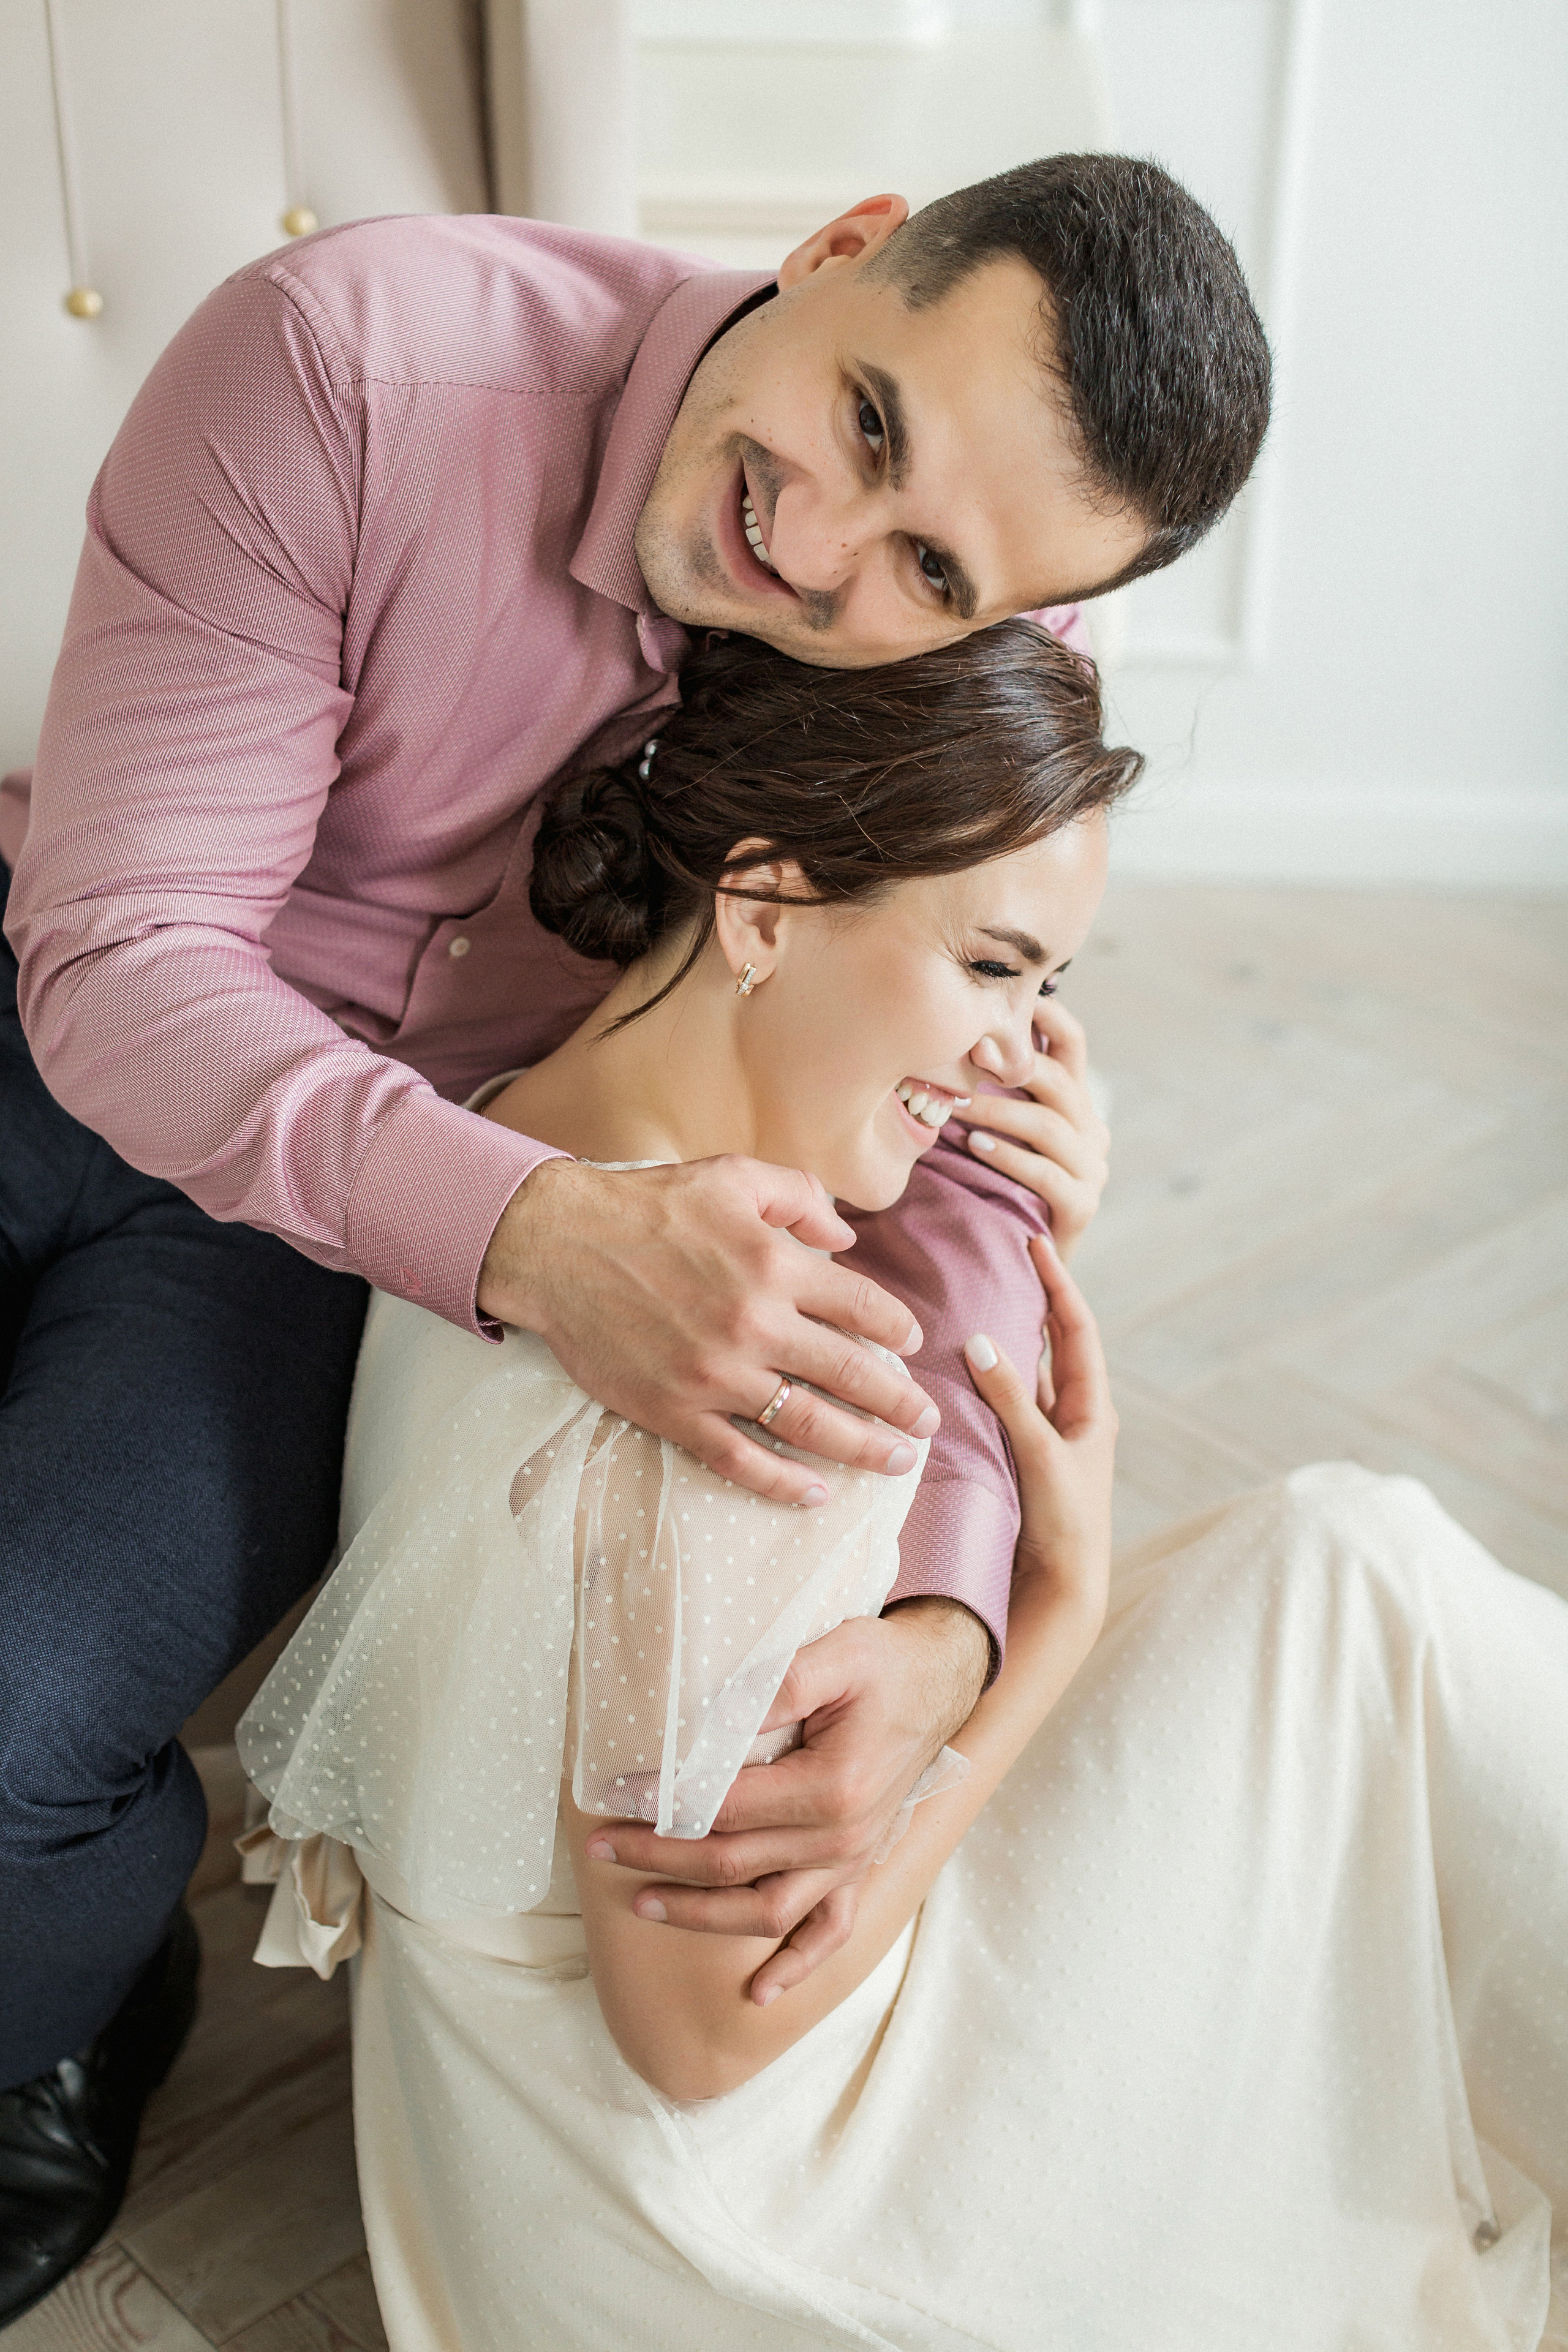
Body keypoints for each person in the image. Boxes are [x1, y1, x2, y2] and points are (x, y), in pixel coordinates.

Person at [0, 154, 1270, 2318]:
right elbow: (123, 951)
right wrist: (541, 1238)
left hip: (345, 1237)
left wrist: (963, 1608)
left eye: (935, 568)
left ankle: (84, 1976)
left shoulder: (982, 611)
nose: (825, 548)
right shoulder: (349, 365)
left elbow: (958, 1126)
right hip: (72, 1019)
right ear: (845, 240)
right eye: (866, 422)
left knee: (15, 1727)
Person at [238, 622, 1568, 2351]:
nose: (1022, 1060)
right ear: (767, 904)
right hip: (730, 2213)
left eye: (1052, 989)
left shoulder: (513, 1157)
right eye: (996, 967)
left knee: (1339, 1608)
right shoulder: (723, 1386)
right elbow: (704, 2038)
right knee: (1353, 1583)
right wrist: (1053, 1628)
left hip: (518, 2145)